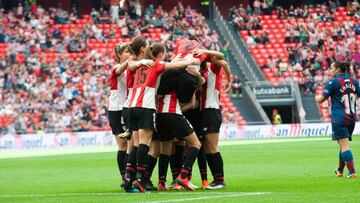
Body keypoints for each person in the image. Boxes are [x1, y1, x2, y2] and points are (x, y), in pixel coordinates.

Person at [127, 38, 200, 193]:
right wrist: (191, 60)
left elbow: (130, 65)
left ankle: (139, 179)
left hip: (132, 106)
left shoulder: (138, 65)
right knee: (145, 144)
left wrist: (139, 62)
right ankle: (142, 179)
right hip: (148, 107)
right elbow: (176, 66)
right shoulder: (157, 65)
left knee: (152, 146)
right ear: (160, 54)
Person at [195, 49, 232, 190]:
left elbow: (222, 60)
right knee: (206, 147)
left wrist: (228, 80)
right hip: (205, 111)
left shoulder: (212, 68)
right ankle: (216, 179)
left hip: (211, 110)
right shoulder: (202, 72)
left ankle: (220, 180)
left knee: (212, 147)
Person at [316, 61, 359, 179]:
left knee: (344, 145)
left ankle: (352, 172)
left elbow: (320, 99)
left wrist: (316, 97)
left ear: (338, 69)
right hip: (351, 118)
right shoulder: (354, 82)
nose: (330, 70)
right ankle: (340, 170)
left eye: (331, 68)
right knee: (343, 144)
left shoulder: (333, 82)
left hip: (339, 118)